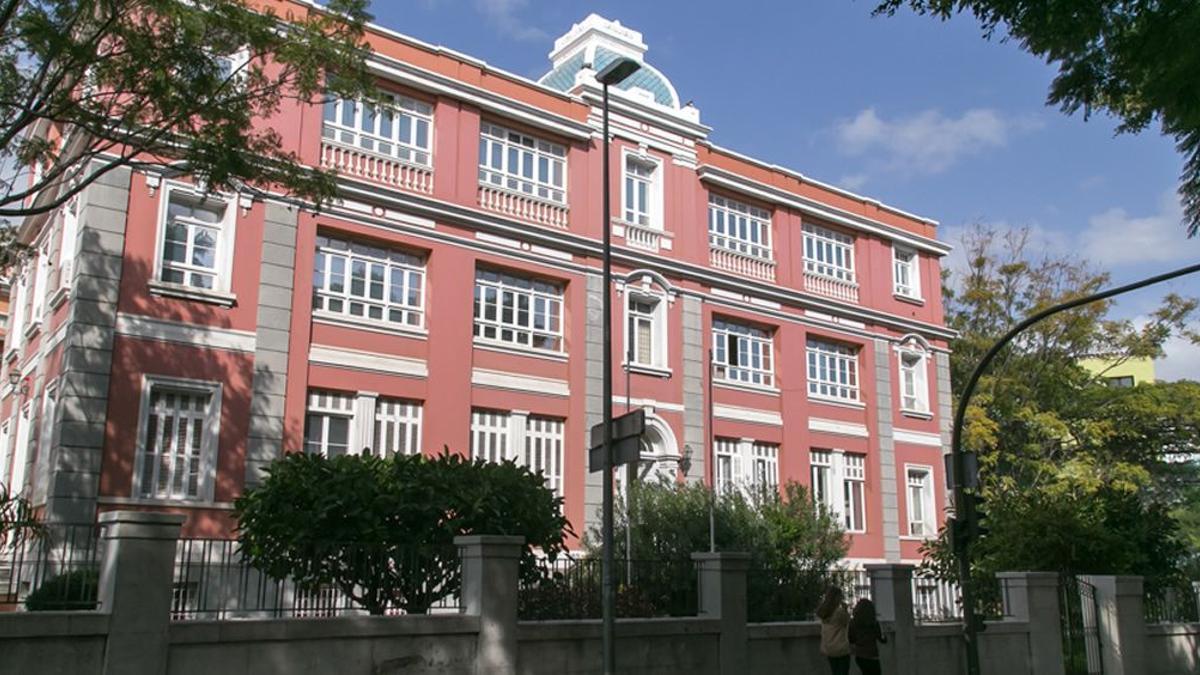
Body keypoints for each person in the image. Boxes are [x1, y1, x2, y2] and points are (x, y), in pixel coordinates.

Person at [816, 586, 851, 675]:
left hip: (829, 648)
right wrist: (845, 609)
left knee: (835, 672)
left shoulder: (824, 611)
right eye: (840, 596)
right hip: (841, 649)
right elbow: (847, 621)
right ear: (836, 597)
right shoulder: (839, 613)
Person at [849, 598, 887, 675]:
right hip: (872, 655)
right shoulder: (874, 623)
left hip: (859, 655)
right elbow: (882, 639)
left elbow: (851, 639)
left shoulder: (853, 623)